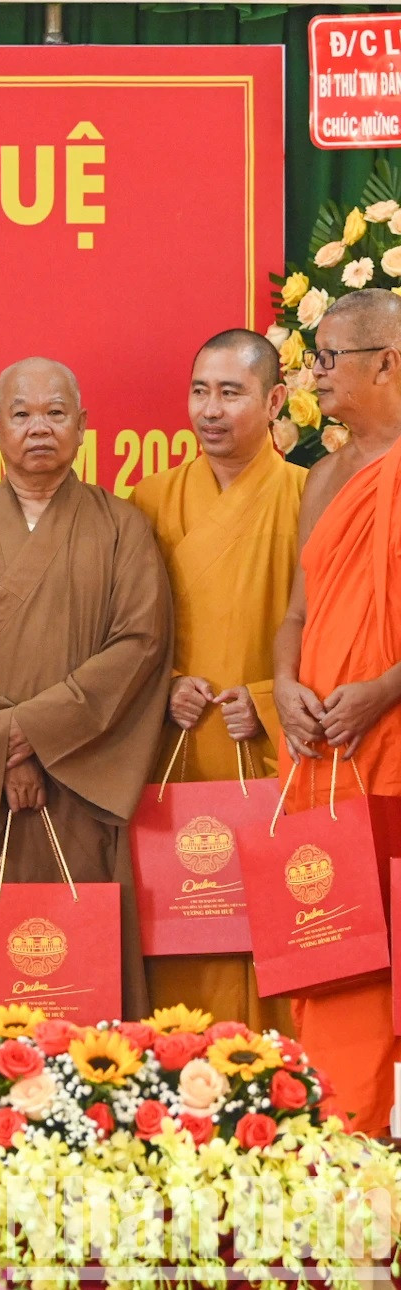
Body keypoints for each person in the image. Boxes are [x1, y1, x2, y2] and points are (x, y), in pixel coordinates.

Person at [0, 357, 172, 1030]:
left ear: (82, 427)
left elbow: (140, 647)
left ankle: (95, 1114)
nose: (39, 429)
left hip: (78, 787)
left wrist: (29, 745)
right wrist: (6, 758)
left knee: (84, 981)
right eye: (21, 415)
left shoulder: (122, 528)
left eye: (56, 413)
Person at [129, 331, 303, 1031]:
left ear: (275, 401)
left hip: (272, 756)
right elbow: (125, 633)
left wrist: (266, 700)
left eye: (231, 393)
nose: (210, 409)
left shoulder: (308, 496)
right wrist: (164, 684)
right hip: (176, 752)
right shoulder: (149, 500)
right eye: (200, 391)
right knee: (182, 928)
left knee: (274, 942)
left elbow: (334, 629)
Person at [271, 288, 401, 1132]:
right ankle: (339, 1146)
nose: (316, 373)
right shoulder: (324, 476)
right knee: (334, 957)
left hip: (392, 747)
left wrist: (385, 689)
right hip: (322, 764)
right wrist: (283, 684)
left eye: (329, 358)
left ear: (387, 362)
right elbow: (296, 613)